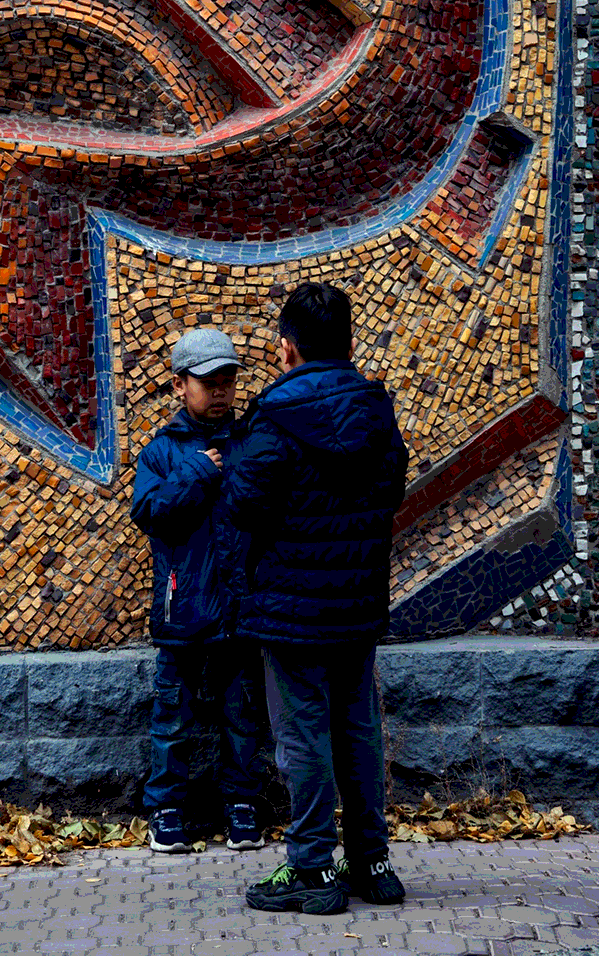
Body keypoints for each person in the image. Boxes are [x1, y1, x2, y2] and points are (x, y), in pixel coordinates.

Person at [224, 281, 409, 916]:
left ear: (287, 347)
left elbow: (243, 504)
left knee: (302, 736)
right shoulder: (376, 411)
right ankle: (372, 865)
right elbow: (392, 491)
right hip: (357, 601)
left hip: (290, 607)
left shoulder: (275, 416)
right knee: (358, 730)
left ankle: (311, 868)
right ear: (348, 343)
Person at [130, 327, 269, 855]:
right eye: (208, 382)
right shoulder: (162, 453)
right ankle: (166, 810)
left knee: (242, 716)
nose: (220, 391)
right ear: (179, 385)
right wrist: (194, 472)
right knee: (171, 719)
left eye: (227, 381)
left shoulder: (250, 444)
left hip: (240, 610)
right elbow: (149, 513)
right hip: (182, 609)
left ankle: (243, 804)